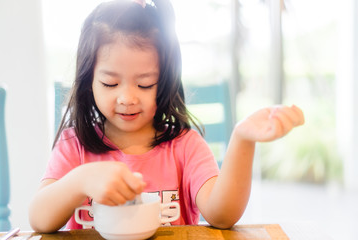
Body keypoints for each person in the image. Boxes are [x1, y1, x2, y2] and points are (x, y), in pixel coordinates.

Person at [29, 0, 305, 233]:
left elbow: (222, 215)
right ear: (89, 81)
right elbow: (39, 220)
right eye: (110, 84)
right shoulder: (74, 146)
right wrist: (81, 180)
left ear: (165, 83)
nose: (127, 97)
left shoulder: (185, 146)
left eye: (145, 83)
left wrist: (242, 139)